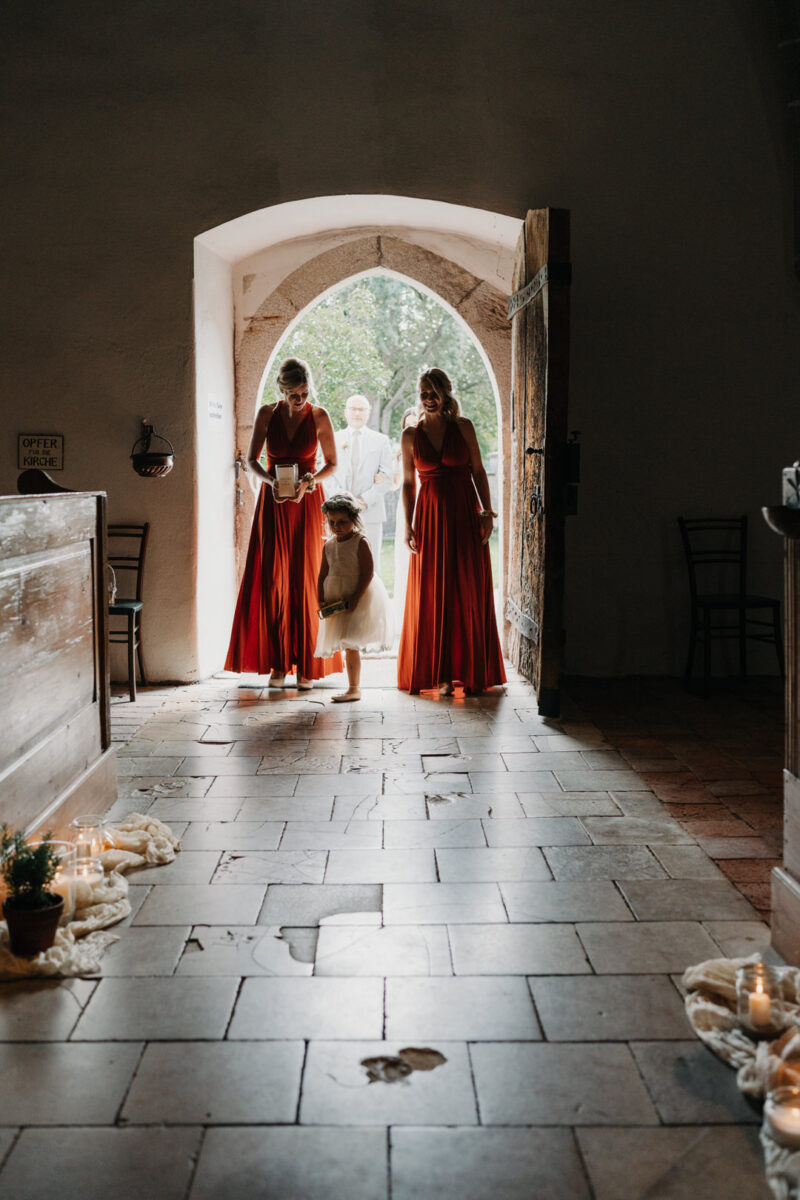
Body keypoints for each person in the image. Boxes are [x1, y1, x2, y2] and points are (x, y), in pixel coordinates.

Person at [225, 357, 343, 689]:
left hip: (307, 504)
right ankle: (278, 664)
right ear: (282, 390)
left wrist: (310, 481)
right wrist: (269, 481)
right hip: (273, 505)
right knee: (272, 580)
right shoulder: (267, 414)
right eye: (294, 394)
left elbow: (332, 463)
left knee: (307, 580)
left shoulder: (319, 416)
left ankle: (307, 664)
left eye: (304, 393)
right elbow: (251, 461)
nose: (300, 399)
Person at [397, 368, 506, 695]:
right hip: (428, 518)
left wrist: (487, 513)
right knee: (433, 593)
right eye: (424, 393)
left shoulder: (463, 427)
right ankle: (440, 675)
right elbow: (406, 482)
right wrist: (407, 524)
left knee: (467, 589)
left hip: (464, 515)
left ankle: (471, 671)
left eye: (434, 393)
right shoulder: (409, 435)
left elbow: (478, 470)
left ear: (445, 394)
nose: (429, 399)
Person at [315, 494, 393, 702]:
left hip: (356, 596)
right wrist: (320, 598)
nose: (336, 526)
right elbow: (323, 573)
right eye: (332, 522)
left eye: (342, 522)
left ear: (354, 520)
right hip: (336, 598)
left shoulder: (360, 541)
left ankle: (354, 688)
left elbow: (367, 572)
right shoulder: (329, 545)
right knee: (346, 643)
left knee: (351, 644)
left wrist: (356, 597)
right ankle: (352, 687)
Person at [326, 394, 394, 569]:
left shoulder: (381, 440)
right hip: (338, 512)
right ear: (346, 412)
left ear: (368, 413)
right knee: (340, 563)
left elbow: (387, 475)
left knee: (370, 563)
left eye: (361, 409)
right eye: (353, 409)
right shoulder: (333, 439)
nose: (357, 413)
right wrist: (345, 498)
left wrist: (365, 500)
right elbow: (325, 473)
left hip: (370, 511)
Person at [392, 406, 419, 627]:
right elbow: (398, 483)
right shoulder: (401, 448)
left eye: (415, 422)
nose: (411, 426)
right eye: (408, 423)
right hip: (408, 502)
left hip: (424, 498)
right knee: (403, 559)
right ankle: (402, 611)